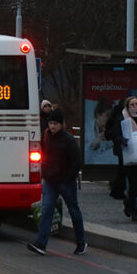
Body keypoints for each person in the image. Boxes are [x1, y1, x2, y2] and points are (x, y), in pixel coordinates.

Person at [28, 109, 87, 255]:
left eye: (55, 123)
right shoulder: (47, 136)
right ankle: (41, 243)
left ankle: (81, 241)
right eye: (50, 123)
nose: (52, 126)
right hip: (50, 181)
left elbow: (76, 162)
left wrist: (68, 177)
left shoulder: (68, 140)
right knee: (46, 209)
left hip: (65, 182)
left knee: (74, 210)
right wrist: (45, 172)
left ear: (61, 124)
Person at [107, 95, 137, 222]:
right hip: (128, 155)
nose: (135, 106)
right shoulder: (122, 118)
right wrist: (122, 140)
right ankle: (134, 210)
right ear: (127, 107)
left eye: (136, 104)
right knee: (133, 183)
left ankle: (129, 202)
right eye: (132, 105)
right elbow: (114, 134)